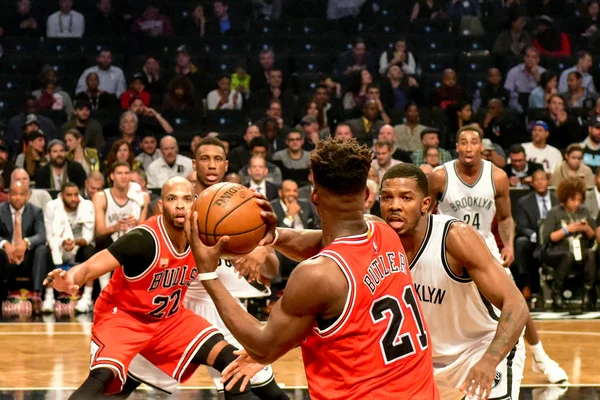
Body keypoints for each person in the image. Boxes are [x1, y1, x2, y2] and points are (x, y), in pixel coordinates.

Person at [190, 138, 439, 399]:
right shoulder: (383, 231)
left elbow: (263, 348)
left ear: (314, 196)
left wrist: (208, 274)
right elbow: (325, 242)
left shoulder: (317, 276)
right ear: (366, 194)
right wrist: (274, 236)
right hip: (421, 391)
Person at [44, 177, 257, 399]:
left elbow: (245, 243)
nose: (180, 205)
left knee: (232, 363)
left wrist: (260, 247)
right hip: (123, 318)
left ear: (195, 204)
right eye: (172, 199)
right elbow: (91, 266)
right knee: (102, 378)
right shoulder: (143, 239)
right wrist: (70, 278)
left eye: (186, 199)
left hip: (169, 320)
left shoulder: (203, 235)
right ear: (161, 205)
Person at [127, 138, 289, 399]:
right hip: (181, 309)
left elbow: (272, 271)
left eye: (217, 159)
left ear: (226, 165)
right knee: (120, 383)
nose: (211, 165)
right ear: (194, 164)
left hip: (226, 308)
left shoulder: (245, 204)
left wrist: (263, 251)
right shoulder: (177, 201)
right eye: (204, 159)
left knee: (266, 392)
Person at [428, 125, 569, 384]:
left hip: (486, 250)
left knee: (516, 304)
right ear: (456, 147)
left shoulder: (498, 177)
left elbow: (505, 218)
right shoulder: (439, 177)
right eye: (463, 142)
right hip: (449, 253)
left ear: (482, 148)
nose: (468, 147)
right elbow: (424, 215)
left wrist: (509, 245)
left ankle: (541, 359)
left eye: (474, 142)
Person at [377, 163, 528, 399]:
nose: (395, 205)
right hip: (422, 363)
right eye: (387, 197)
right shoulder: (374, 238)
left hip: (478, 351)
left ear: (425, 204)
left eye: (406, 198)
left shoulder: (454, 237)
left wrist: (489, 360)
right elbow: (314, 243)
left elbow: (516, 305)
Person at [541, 177, 597, 310]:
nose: (577, 203)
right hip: (557, 251)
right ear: (565, 198)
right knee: (568, 256)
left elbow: (593, 236)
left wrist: (586, 229)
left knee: (590, 254)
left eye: (579, 200)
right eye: (573, 200)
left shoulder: (583, 211)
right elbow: (549, 238)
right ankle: (557, 293)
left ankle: (588, 293)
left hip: (580, 249)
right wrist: (568, 229)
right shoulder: (555, 212)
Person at [92, 161, 149, 289]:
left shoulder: (142, 197)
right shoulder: (101, 197)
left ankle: (138, 292)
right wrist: (115, 227)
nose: (124, 176)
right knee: (104, 242)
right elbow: (99, 231)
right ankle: (104, 290)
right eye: (119, 173)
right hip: (109, 240)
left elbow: (144, 227)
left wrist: (136, 225)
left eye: (127, 173)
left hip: (132, 238)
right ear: (112, 176)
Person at [43, 182, 95, 312]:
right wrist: (62, 243)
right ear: (61, 196)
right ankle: (49, 297)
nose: (73, 198)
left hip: (78, 246)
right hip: (58, 246)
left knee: (91, 251)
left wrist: (74, 243)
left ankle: (87, 298)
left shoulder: (87, 206)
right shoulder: (52, 206)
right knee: (44, 251)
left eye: (76, 194)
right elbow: (49, 235)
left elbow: (88, 237)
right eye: (69, 195)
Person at [0, 181, 47, 312]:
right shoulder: (0, 210)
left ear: (27, 196)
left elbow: (42, 235)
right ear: (8, 195)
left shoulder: (36, 211)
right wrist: (5, 244)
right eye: (14, 194)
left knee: (41, 249)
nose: (18, 197)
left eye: (22, 194)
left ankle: (37, 296)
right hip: (6, 259)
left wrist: (26, 242)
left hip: (27, 259)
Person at [515, 169, 558, 298]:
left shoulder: (558, 198)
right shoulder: (524, 202)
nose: (540, 182)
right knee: (521, 242)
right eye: (536, 180)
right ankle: (526, 285)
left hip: (556, 237)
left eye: (543, 179)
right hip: (533, 240)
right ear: (532, 183)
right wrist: (537, 236)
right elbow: (522, 227)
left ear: (548, 181)